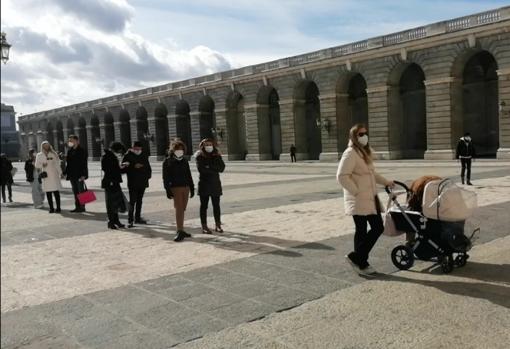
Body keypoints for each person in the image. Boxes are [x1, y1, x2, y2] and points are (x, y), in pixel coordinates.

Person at [337, 124, 394, 276]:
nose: (364, 136)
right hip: (359, 198)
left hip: (370, 197)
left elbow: (372, 174)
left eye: (365, 133)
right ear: (354, 137)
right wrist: (356, 191)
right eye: (361, 134)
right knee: (364, 230)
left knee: (376, 228)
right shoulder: (350, 153)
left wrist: (386, 181)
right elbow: (341, 176)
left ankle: (357, 258)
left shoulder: (364, 152)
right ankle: (361, 262)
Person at [162, 140, 195, 242]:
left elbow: (188, 174)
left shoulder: (184, 161)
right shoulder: (168, 161)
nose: (179, 151)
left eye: (181, 149)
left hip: (186, 187)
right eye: (177, 149)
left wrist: (192, 187)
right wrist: (167, 190)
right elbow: (165, 177)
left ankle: (181, 229)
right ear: (173, 150)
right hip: (176, 188)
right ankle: (179, 231)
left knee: (182, 208)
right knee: (179, 208)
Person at [196, 138, 225, 234]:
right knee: (204, 206)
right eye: (206, 144)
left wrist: (209, 166)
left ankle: (218, 225)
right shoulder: (200, 156)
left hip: (215, 184)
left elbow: (222, 168)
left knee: (216, 205)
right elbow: (202, 169)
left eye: (210, 144)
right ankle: (204, 226)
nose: (209, 146)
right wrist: (213, 168)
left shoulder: (216, 155)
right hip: (204, 184)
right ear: (203, 146)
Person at [123, 141, 152, 227]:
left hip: (142, 181)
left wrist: (148, 176)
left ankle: (138, 218)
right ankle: (130, 220)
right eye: (136, 149)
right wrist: (133, 166)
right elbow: (123, 169)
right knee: (132, 201)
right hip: (133, 182)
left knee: (139, 201)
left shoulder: (143, 155)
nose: (138, 150)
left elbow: (148, 167)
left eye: (139, 149)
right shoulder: (128, 156)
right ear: (133, 148)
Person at [102, 142, 129, 229]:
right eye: (120, 152)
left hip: (114, 181)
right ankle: (111, 222)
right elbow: (106, 168)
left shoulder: (112, 156)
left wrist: (121, 167)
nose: (120, 154)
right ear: (116, 150)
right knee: (110, 203)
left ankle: (116, 220)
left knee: (116, 202)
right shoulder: (107, 156)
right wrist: (119, 168)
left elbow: (114, 169)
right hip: (110, 182)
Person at [35, 141, 62, 213]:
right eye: (45, 146)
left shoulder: (53, 154)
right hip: (46, 175)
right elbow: (36, 165)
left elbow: (57, 164)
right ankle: (51, 208)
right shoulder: (39, 155)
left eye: (47, 145)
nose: (46, 147)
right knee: (48, 193)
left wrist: (61, 173)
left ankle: (58, 208)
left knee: (56, 192)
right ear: (42, 146)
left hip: (54, 175)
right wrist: (42, 165)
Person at [65, 135, 88, 212]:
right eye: (69, 141)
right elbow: (68, 164)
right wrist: (65, 172)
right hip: (72, 174)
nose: (70, 142)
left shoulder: (82, 150)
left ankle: (82, 207)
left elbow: (84, 163)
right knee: (75, 191)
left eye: (71, 140)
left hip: (79, 174)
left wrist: (84, 175)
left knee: (81, 191)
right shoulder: (70, 151)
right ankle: (77, 206)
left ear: (77, 141)